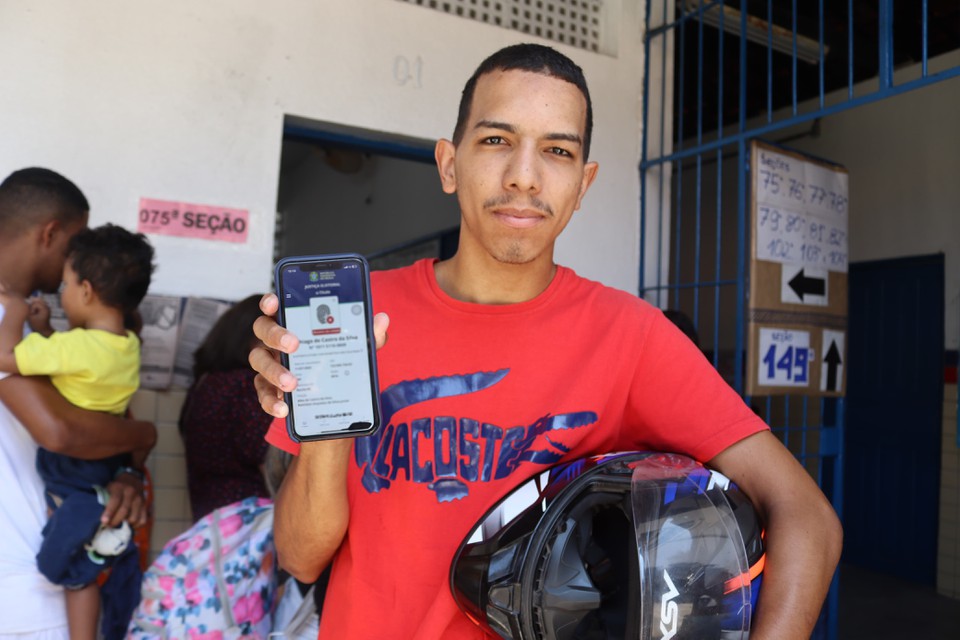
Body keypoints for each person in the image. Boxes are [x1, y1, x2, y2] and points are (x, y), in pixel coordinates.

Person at [249, 44, 842, 639]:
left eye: (557, 151)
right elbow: (302, 557)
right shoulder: (359, 316)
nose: (524, 176)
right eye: (496, 140)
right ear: (449, 164)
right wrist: (327, 423)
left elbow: (807, 515)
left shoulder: (630, 337)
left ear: (583, 184)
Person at [0, 167, 155, 640]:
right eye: (77, 242)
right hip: (21, 591)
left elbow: (97, 416)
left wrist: (128, 468)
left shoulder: (36, 324)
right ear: (50, 233)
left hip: (46, 583)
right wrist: (143, 437)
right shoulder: (7, 315)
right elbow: (64, 431)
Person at [179, 294, 272, 521]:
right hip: (249, 521)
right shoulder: (247, 385)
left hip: (211, 520)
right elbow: (266, 456)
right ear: (252, 339)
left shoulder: (205, 383)